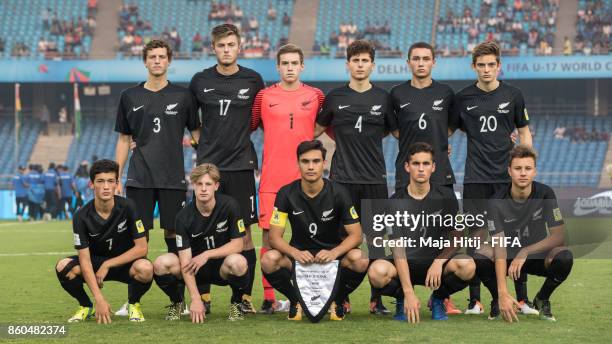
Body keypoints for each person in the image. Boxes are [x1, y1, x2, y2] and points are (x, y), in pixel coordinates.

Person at [114, 39, 200, 317]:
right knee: (139, 240)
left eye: (162, 56)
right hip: (139, 179)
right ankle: (133, 301)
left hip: (173, 179)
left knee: (175, 237)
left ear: (169, 60)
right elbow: (124, 139)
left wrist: (209, 163)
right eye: (152, 57)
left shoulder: (184, 96)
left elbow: (197, 136)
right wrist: (116, 176)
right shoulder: (129, 96)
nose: (157, 61)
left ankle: (178, 301)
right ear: (145, 61)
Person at [314, 39, 394, 315]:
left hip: (374, 179)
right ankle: (340, 296)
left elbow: (395, 132)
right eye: (355, 60)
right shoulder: (335, 97)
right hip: (341, 180)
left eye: (365, 61)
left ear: (373, 65)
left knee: (378, 242)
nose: (360, 65)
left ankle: (377, 299)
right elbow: (314, 130)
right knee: (340, 242)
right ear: (348, 65)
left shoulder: (383, 98)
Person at [453, 41, 533, 316]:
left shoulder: (514, 94)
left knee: (514, 238)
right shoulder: (463, 97)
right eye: (481, 65)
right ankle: (475, 300)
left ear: (499, 67)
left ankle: (521, 299)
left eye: (491, 65)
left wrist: (527, 163)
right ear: (474, 67)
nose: (486, 70)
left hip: (505, 179)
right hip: (475, 178)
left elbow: (524, 131)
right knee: (476, 238)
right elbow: (450, 128)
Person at [189, 23, 264, 314]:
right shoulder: (199, 80)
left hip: (241, 167)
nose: (226, 50)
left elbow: (260, 117)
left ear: (239, 46)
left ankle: (242, 298)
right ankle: (204, 298)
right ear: (213, 48)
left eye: (231, 44)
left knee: (243, 235)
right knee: (200, 231)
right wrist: (200, 144)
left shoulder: (253, 79)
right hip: (208, 166)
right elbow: (188, 118)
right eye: (221, 45)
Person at [250, 44, 325, 313]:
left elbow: (323, 124)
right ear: (278, 67)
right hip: (272, 180)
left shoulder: (316, 95)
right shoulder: (263, 97)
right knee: (270, 240)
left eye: (295, 63)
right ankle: (270, 298)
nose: (290, 68)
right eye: (285, 63)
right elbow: (254, 124)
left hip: (307, 182)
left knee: (314, 237)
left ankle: (317, 294)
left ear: (302, 66)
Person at [261, 140, 368, 321]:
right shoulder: (286, 193)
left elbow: (356, 235)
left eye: (316, 161)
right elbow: (274, 237)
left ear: (323, 164)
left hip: (331, 259)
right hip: (300, 258)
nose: (311, 167)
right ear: (298, 163)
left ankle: (337, 300)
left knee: (361, 259)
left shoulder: (339, 192)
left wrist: (334, 252)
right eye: (305, 161)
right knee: (268, 260)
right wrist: (295, 252)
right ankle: (296, 301)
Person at [367, 142, 475, 322]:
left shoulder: (446, 197)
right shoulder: (395, 201)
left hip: (435, 264)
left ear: (433, 167)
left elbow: (457, 237)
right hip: (404, 264)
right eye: (416, 164)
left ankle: (438, 299)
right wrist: (409, 292)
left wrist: (438, 263)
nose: (421, 169)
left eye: (426, 164)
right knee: (376, 272)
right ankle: (402, 298)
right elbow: (397, 249)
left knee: (467, 265)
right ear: (407, 167)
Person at [475, 145, 573, 322]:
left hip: (535, 255)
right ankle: (498, 300)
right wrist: (503, 292)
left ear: (534, 171)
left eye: (528, 168)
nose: (523, 173)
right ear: (509, 171)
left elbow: (559, 236)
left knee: (564, 256)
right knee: (480, 254)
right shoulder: (496, 201)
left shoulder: (545, 193)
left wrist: (525, 251)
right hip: (508, 255)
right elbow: (499, 248)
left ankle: (542, 298)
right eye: (518, 168)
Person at [54, 159, 153, 323]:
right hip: (94, 264)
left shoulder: (129, 207)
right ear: (91, 184)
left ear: (116, 184)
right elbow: (85, 261)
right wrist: (99, 298)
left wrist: (108, 264)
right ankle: (86, 306)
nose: (106, 187)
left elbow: (142, 249)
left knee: (146, 268)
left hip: (123, 264)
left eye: (110, 181)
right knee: (63, 267)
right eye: (100, 181)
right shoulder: (81, 216)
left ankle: (133, 304)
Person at [152, 163, 249, 322]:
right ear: (193, 185)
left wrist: (207, 254)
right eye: (199, 184)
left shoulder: (230, 206)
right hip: (194, 268)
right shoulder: (183, 217)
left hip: (221, 268)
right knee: (161, 263)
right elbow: (185, 261)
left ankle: (236, 303)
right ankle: (177, 302)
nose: (203, 189)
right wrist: (196, 298)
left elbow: (238, 245)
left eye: (208, 184)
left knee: (239, 262)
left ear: (216, 186)